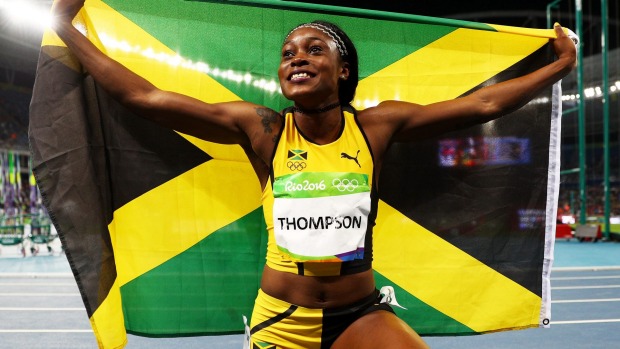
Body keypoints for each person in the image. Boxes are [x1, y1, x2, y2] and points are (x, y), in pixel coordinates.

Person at [50, 1, 577, 348]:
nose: (295, 58)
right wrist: (63, 29)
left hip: (360, 316)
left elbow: (482, 103)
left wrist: (557, 67)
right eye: (287, 53)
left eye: (313, 49)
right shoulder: (262, 130)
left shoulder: (376, 127)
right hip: (284, 321)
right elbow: (144, 97)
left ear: (343, 70)